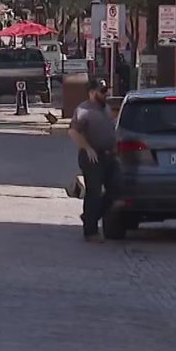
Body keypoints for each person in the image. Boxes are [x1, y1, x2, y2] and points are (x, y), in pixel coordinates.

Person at [68, 78, 121, 242]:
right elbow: (73, 132)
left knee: (116, 191)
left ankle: (91, 216)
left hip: (109, 156)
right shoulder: (83, 110)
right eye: (103, 91)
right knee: (94, 192)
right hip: (93, 157)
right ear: (92, 93)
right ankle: (90, 231)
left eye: (106, 90)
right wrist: (88, 148)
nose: (107, 94)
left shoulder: (105, 108)